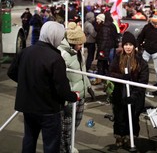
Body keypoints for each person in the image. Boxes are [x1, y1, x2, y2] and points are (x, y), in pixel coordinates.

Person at [7, 21, 80, 153]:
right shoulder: (55, 58)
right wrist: (74, 96)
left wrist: (27, 83)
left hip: (28, 106)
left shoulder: (26, 52)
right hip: (48, 109)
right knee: (51, 144)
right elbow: (61, 89)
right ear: (54, 36)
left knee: (29, 139)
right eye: (60, 36)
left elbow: (11, 72)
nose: (61, 39)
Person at [58, 22, 95, 153]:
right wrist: (66, 98)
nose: (81, 46)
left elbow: (82, 71)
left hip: (81, 95)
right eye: (79, 43)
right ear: (72, 42)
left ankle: (69, 146)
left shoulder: (78, 52)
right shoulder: (61, 54)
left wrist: (88, 87)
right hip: (70, 98)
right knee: (66, 128)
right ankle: (64, 149)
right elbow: (59, 80)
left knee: (75, 125)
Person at [109, 31, 149, 148]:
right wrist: (122, 77)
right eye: (125, 44)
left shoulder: (141, 62)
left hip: (134, 96)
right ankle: (119, 137)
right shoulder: (117, 58)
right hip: (119, 94)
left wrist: (134, 96)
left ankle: (130, 136)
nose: (128, 47)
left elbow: (143, 82)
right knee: (119, 117)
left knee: (132, 118)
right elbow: (110, 73)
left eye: (130, 45)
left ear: (134, 46)